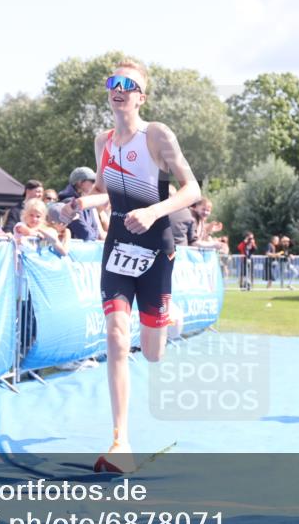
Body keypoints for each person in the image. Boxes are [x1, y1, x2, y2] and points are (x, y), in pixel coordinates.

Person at [59, 59, 200, 473]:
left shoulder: (156, 135)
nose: (119, 89)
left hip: (156, 246)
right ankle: (121, 440)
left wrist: (155, 212)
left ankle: (171, 313)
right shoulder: (103, 142)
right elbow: (106, 191)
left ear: (141, 96)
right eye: (112, 82)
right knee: (117, 337)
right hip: (118, 245)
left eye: (129, 84)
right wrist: (81, 203)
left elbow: (191, 189)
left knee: (153, 354)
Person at [59, 167, 102, 241]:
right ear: (80, 183)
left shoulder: (88, 203)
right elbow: (86, 235)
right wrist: (96, 237)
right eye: (92, 181)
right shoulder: (70, 203)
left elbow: (96, 231)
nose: (95, 184)